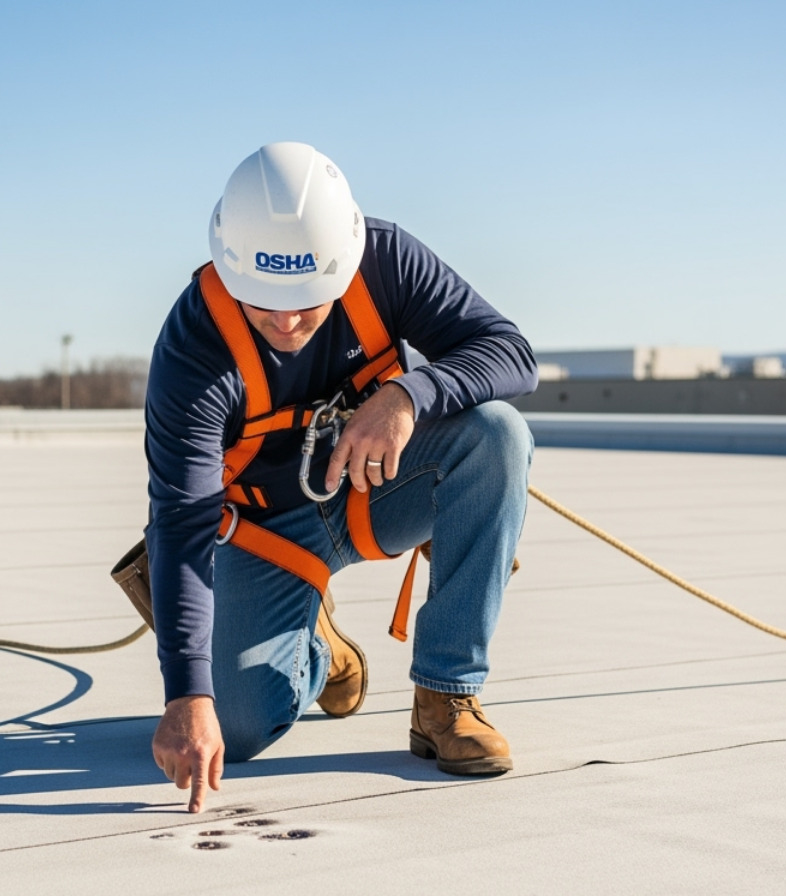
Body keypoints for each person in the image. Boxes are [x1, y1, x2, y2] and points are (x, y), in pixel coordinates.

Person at [144, 142, 538, 811]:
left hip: (373, 490)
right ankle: (318, 647)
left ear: (343, 262)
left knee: (497, 435)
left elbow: (512, 353)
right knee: (235, 726)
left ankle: (446, 695)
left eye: (307, 300)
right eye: (263, 301)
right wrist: (186, 695)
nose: (287, 322)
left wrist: (409, 395)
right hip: (266, 531)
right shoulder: (193, 347)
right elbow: (180, 527)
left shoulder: (385, 261)